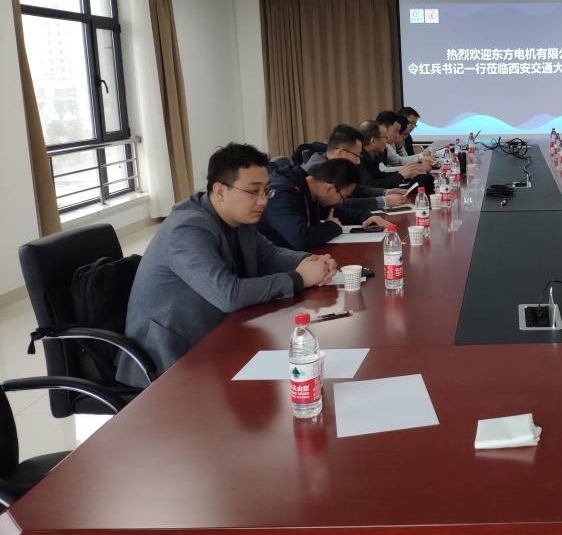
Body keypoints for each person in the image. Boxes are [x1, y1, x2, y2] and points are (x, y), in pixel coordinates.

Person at [116, 144, 336, 387]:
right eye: (253, 191)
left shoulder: (238, 217)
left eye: (266, 191)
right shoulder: (187, 228)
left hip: (219, 335)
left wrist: (309, 261)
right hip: (169, 358)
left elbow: (269, 254)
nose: (263, 201)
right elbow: (228, 294)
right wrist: (299, 278)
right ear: (220, 191)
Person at [259, 158, 391, 251]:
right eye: (343, 197)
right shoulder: (282, 194)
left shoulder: (308, 185)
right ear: (329, 188)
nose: (341, 202)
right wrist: (333, 227)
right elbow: (300, 239)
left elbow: (334, 211)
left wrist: (366, 217)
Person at [304, 124, 408, 211]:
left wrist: (385, 192)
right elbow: (338, 203)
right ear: (341, 152)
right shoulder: (315, 171)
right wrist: (383, 201)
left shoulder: (335, 167)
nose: (358, 161)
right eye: (357, 155)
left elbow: (356, 189)